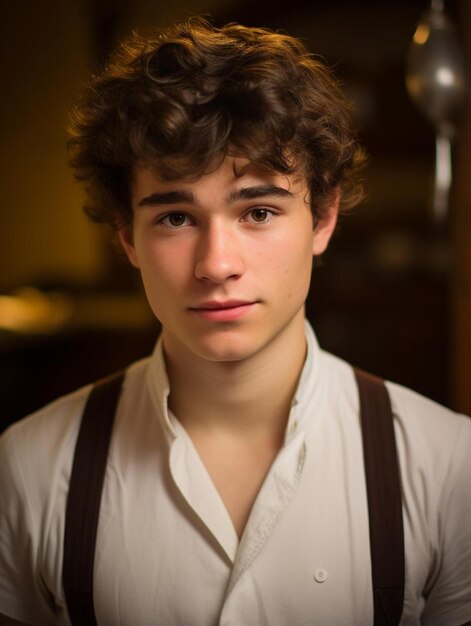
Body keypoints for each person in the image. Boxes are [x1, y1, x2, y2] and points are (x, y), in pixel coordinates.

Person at [0, 17, 470, 626]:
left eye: (259, 211)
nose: (217, 265)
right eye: (175, 218)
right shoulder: (30, 468)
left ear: (323, 219)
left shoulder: (448, 465)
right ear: (127, 237)